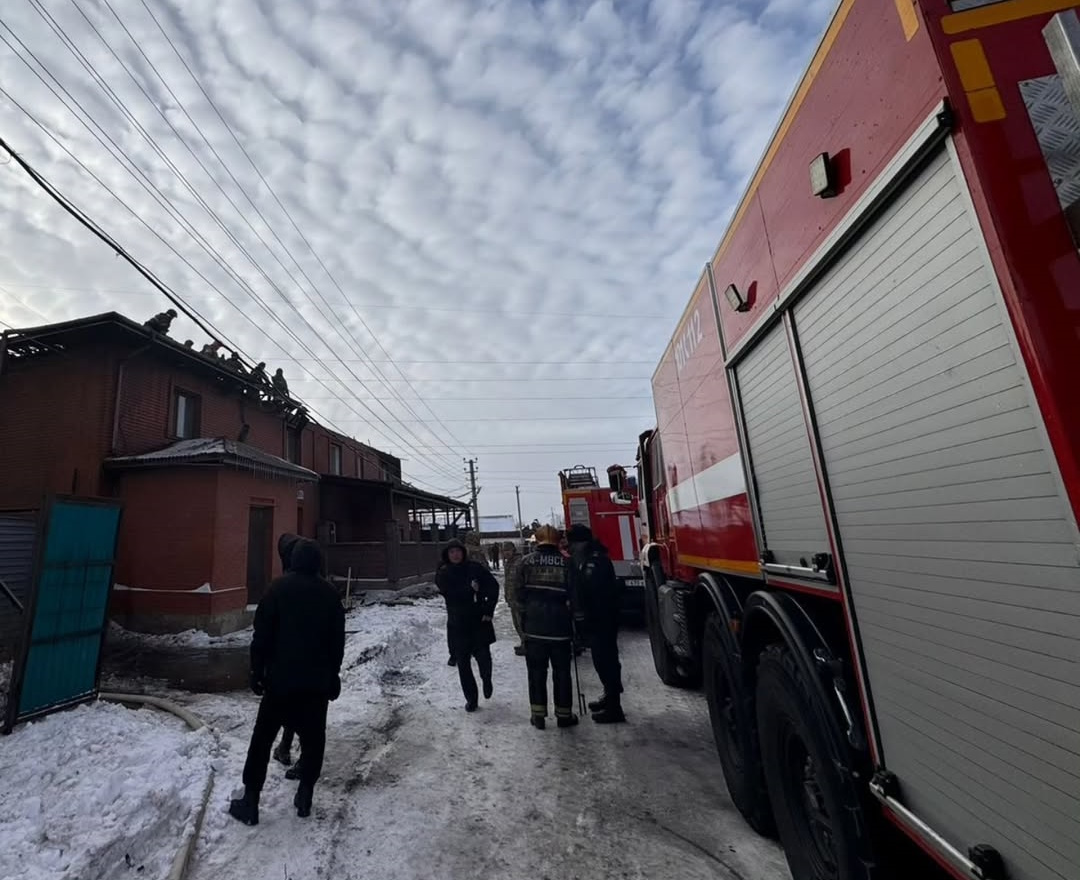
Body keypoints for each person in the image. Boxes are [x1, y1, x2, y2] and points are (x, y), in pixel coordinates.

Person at [229, 538, 345, 826]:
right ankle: (305, 794)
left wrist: (257, 671)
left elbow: (262, 636)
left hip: (280, 681)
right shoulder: (330, 594)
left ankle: (251, 800)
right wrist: (333, 675)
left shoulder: (277, 589)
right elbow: (337, 643)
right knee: (314, 739)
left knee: (262, 739)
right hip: (316, 684)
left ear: (293, 560)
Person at [518, 524, 577, 730]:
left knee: (536, 673)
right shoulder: (567, 563)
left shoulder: (525, 562)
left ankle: (538, 715)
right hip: (560, 628)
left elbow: (518, 593)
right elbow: (575, 594)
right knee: (562, 673)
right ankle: (564, 715)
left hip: (534, 628)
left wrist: (525, 614)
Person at [567, 524, 626, 723]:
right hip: (598, 621)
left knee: (606, 661)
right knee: (601, 661)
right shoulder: (587, 560)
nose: (571, 547)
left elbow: (594, 593)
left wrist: (584, 615)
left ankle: (614, 707)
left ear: (581, 543)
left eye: (573, 543)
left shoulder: (595, 562)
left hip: (603, 620)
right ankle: (609, 697)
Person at [436, 539, 499, 712]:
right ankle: (471, 699)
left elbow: (493, 586)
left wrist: (488, 609)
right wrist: (471, 590)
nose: (455, 555)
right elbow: (450, 593)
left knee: (483, 657)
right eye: (451, 552)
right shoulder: (443, 572)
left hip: (479, 620)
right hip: (458, 623)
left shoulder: (475, 568)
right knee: (463, 664)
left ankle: (487, 679)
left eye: (458, 551)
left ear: (463, 552)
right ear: (447, 555)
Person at [502, 541, 526, 656]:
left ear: (513, 550)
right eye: (504, 551)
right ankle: (523, 642)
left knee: (522, 623)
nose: (506, 553)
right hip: (512, 599)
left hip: (520, 599)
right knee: (516, 623)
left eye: (508, 550)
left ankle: (527, 645)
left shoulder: (520, 562)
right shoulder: (508, 563)